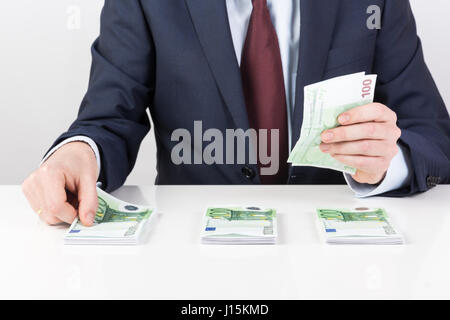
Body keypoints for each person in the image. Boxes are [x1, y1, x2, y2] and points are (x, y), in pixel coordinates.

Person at [22, 0, 450, 226]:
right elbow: (109, 118)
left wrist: (390, 161)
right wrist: (79, 152)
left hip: (337, 259)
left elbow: (433, 135)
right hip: (191, 252)